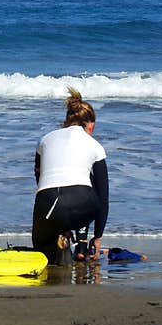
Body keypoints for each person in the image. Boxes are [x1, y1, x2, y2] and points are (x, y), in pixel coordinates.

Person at [32, 87, 109, 264]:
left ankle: (59, 235)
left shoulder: (45, 139)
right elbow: (103, 197)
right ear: (90, 124)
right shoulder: (95, 145)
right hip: (81, 206)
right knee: (86, 182)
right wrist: (97, 237)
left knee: (42, 250)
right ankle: (82, 245)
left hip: (48, 206)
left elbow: (39, 179)